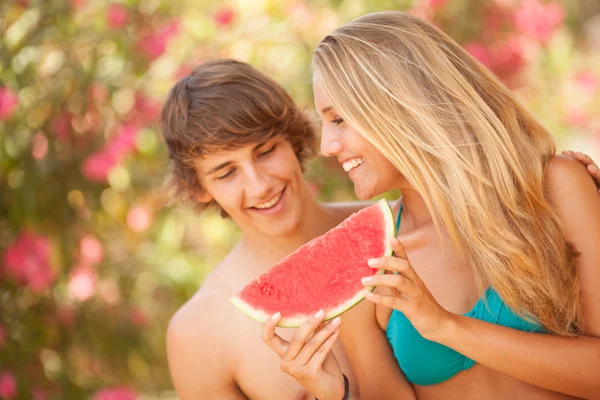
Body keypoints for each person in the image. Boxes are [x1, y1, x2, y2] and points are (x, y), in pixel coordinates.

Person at [261, 11, 600, 400]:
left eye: (339, 119)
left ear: (400, 108)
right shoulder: (368, 262)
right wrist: (334, 393)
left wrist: (443, 327)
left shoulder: (556, 187)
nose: (327, 147)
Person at [161, 59, 374, 400]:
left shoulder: (399, 228)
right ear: (199, 188)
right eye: (226, 172)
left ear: (293, 140)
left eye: (266, 151)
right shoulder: (198, 334)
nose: (259, 186)